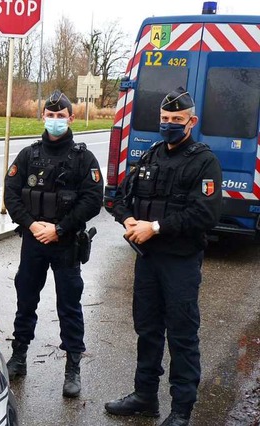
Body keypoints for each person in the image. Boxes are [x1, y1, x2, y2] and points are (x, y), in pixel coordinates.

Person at [104, 87, 222, 426]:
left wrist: (154, 226)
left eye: (176, 119)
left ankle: (182, 409)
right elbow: (120, 196)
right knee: (147, 329)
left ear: (191, 121)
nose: (169, 124)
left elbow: (205, 214)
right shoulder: (151, 155)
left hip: (180, 262)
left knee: (182, 334)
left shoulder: (204, 161)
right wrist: (128, 219)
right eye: (165, 119)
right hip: (148, 261)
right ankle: (145, 396)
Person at [3, 90, 103, 397]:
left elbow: (92, 200)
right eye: (51, 115)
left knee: (69, 305)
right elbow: (11, 193)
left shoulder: (83, 158)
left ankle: (73, 367)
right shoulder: (28, 155)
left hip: (66, 243)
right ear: (43, 116)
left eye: (61, 116)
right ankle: (19, 356)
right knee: (26, 299)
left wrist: (59, 228)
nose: (55, 121)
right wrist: (33, 225)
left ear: (71, 118)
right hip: (34, 240)